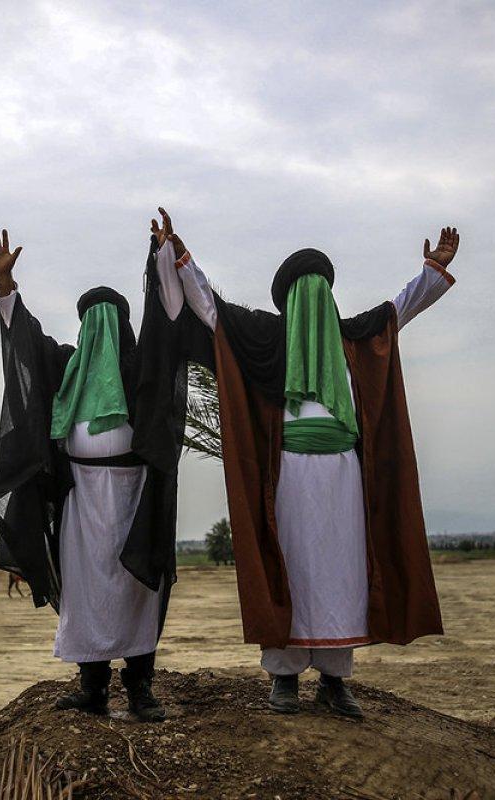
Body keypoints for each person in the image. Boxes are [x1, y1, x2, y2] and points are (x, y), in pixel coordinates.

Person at [151, 208, 460, 717]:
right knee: (288, 566)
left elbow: (398, 310)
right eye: (304, 286)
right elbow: (211, 308)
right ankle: (285, 677)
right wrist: (179, 256)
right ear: (290, 298)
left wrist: (432, 272)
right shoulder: (266, 341)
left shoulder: (355, 339)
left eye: (322, 285)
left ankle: (336, 681)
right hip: (289, 475)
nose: (314, 294)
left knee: (342, 574)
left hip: (343, 479)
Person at [0, 225, 188, 722]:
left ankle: (140, 688)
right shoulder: (65, 367)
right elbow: (25, 342)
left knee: (139, 586)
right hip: (80, 502)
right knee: (86, 589)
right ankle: (92, 687)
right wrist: (6, 289)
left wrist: (160, 262)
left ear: (122, 325)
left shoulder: (142, 373)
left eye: (107, 317)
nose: (99, 328)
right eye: (89, 319)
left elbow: (165, 326)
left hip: (135, 497)